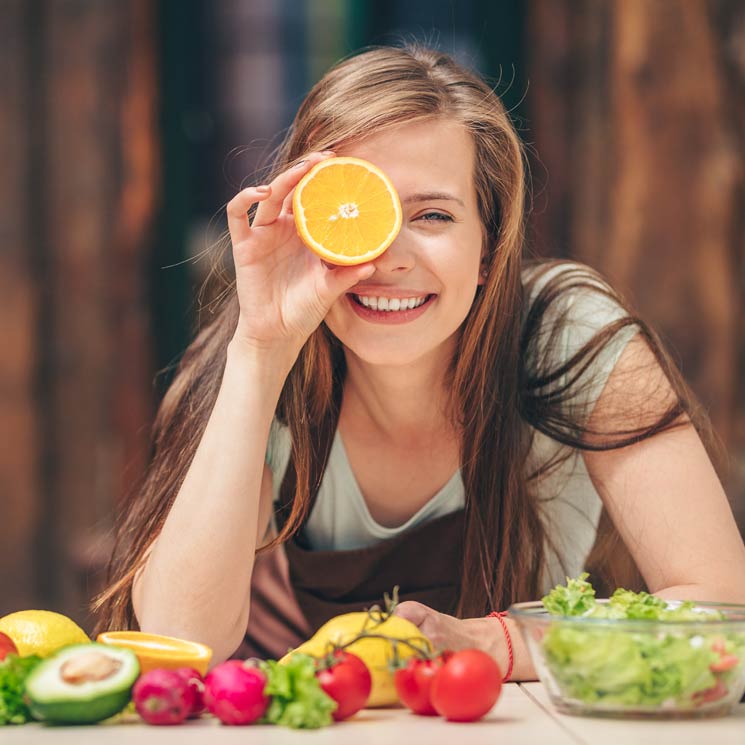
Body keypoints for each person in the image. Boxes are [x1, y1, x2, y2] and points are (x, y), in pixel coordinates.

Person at [92, 45, 745, 680]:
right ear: (306, 224)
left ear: (489, 249)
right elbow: (179, 642)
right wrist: (261, 349)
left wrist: (495, 643)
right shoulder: (257, 357)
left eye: (432, 214)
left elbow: (726, 608)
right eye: (356, 216)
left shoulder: (562, 334)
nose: (386, 258)